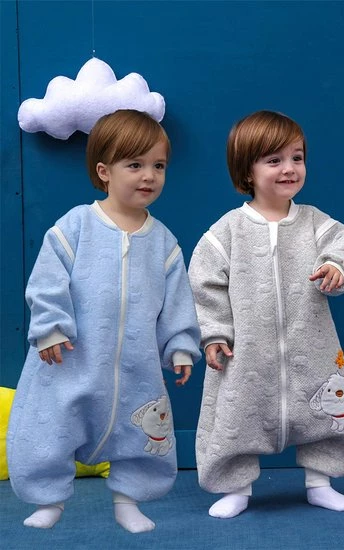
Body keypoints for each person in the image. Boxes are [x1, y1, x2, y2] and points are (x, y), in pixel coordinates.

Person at [7, 109, 201, 532]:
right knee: (49, 429)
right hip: (69, 360)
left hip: (136, 368)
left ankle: (128, 501)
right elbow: (47, 282)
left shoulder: (164, 242)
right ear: (104, 171)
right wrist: (50, 327)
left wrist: (181, 345)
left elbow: (177, 302)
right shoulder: (76, 225)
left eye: (159, 166)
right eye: (135, 165)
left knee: (140, 435)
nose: (149, 176)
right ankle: (49, 499)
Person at [188, 110, 344, 519]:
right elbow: (204, 286)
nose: (289, 168)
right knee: (236, 417)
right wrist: (214, 334)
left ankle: (320, 483)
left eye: (297, 158)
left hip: (311, 346)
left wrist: (336, 267)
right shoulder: (226, 231)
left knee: (326, 410)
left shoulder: (315, 223)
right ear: (247, 171)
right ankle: (236, 488)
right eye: (274, 160)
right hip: (245, 355)